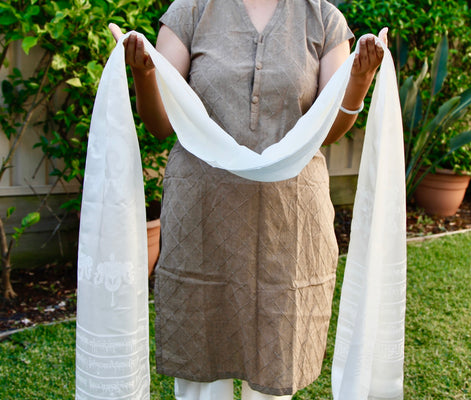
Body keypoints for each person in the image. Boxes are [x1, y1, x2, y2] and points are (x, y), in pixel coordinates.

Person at [109, 1, 386, 399]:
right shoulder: (191, 10)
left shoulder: (323, 18)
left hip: (287, 218)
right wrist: (144, 73)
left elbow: (328, 130)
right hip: (204, 215)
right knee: (201, 371)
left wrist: (360, 80)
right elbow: (161, 124)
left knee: (275, 368)